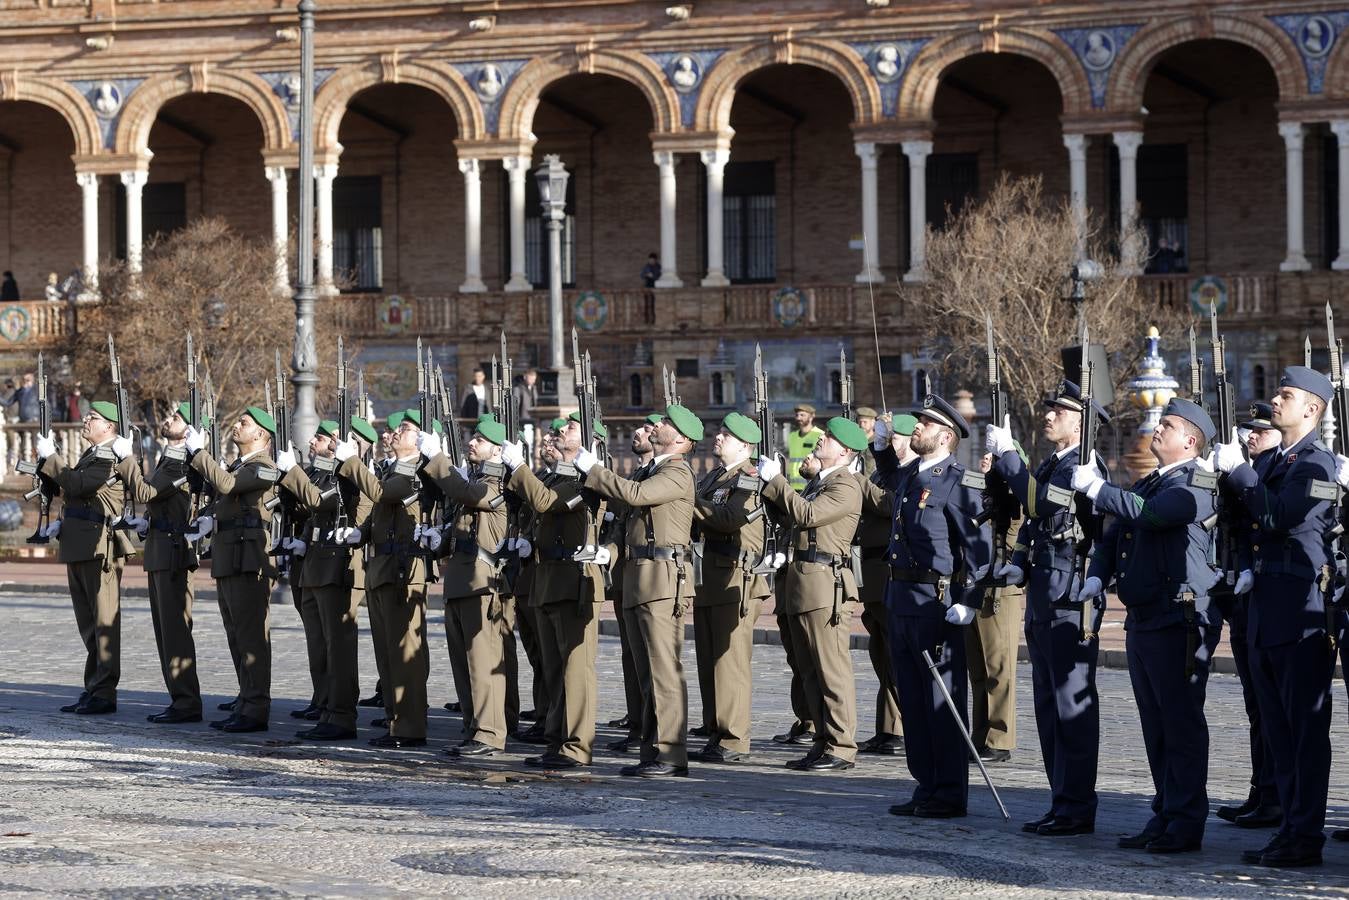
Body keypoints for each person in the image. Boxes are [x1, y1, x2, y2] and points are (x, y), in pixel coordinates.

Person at [1077, 397, 1219, 855]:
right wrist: (1098, 572)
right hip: (1144, 618)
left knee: (1180, 725)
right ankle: (1165, 812)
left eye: (1168, 425)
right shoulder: (1151, 480)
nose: (1157, 429)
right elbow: (1115, 532)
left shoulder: (1198, 481)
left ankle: (1185, 821)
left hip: (1178, 618)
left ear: (1191, 440)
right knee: (1155, 726)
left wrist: (1100, 490)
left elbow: (1157, 515)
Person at [1213, 367, 1340, 868]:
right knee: (1278, 731)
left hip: (1300, 612)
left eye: (1285, 395)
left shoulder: (1316, 464)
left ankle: (1306, 835)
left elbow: (1278, 516)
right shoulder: (1273, 462)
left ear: (1311, 409)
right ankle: (1287, 828)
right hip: (1266, 608)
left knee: (1304, 732)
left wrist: (1242, 475)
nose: (1275, 400)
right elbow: (1245, 525)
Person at [985, 380, 1109, 836]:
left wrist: (1010, 459)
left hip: (1067, 598)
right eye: (1050, 408)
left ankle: (1077, 806)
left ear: (1082, 421)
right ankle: (1062, 801)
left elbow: (1039, 502)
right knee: (1047, 707)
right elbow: (1035, 526)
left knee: (1070, 709)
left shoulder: (1084, 463)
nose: (1049, 415)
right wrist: (1018, 563)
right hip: (1043, 593)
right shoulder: (1054, 461)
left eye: (1060, 410)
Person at [578, 404, 701, 777]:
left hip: (662, 580)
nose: (657, 426)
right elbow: (631, 528)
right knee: (646, 672)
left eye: (665, 424)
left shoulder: (678, 472)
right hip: (638, 576)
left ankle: (670, 753)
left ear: (681, 440)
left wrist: (593, 470)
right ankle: (652, 749)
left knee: (663, 670)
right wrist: (608, 552)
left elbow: (632, 495)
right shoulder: (654, 470)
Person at [885, 394, 991, 819]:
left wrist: (970, 601)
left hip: (937, 602)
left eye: (925, 424)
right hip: (901, 600)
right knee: (911, 698)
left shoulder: (961, 482)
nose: (917, 428)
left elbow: (979, 551)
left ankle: (949, 792)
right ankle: (925, 783)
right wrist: (878, 445)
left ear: (946, 436)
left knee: (941, 702)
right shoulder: (912, 475)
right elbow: (886, 475)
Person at [759, 416, 867, 771]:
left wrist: (776, 480)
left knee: (830, 670)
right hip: (800, 582)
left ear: (845, 451)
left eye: (830, 437)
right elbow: (790, 518)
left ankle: (841, 746)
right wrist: (771, 491)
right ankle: (822, 741)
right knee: (807, 669)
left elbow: (807, 516)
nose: (821, 439)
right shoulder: (819, 483)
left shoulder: (846, 485)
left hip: (824, 585)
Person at [502, 413, 608, 767]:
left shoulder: (583, 480)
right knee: (554, 668)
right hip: (548, 580)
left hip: (573, 582)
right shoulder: (559, 475)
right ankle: (556, 738)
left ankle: (577, 746)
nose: (560, 431)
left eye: (571, 429)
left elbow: (546, 502)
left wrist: (518, 467)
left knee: (576, 670)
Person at [336, 409, 432, 748]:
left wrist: (351, 461)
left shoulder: (416, 472)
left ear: (420, 440)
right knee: (387, 655)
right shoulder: (394, 470)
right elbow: (378, 513)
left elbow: (380, 494)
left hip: (402, 572)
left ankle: (410, 727)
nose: (393, 434)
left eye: (404, 430)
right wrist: (358, 534)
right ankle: (395, 720)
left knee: (405, 655)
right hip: (381, 570)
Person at [275, 418, 376, 741]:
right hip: (318, 564)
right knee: (322, 646)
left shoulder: (356, 473)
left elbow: (322, 501)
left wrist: (293, 472)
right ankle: (327, 706)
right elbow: (316, 514)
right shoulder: (335, 471)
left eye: (334, 439)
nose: (329, 444)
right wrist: (302, 538)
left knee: (339, 648)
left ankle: (342, 715)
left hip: (338, 568)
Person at [185, 406, 282, 733]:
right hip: (230, 557)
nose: (237, 426)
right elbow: (222, 496)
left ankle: (256, 708)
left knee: (252, 637)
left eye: (245, 423)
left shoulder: (265, 466)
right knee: (237, 635)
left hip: (249, 560)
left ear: (261, 435)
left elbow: (227, 485)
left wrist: (199, 453)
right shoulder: (239, 466)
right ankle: (246, 699)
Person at [36, 401, 135, 715]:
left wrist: (52, 457)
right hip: (80, 545)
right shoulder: (91, 455)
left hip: (99, 548)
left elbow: (80, 484)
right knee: (89, 624)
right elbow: (75, 493)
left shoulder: (109, 456)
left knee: (104, 622)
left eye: (92, 418)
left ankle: (105, 692)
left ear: (109, 426)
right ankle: (94, 686)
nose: (85, 420)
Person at [422, 416, 513, 758]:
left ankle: (490, 733)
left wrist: (439, 461)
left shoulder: (498, 482)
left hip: (481, 581)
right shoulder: (473, 481)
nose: (473, 442)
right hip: (459, 578)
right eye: (473, 436)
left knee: (482, 661)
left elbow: (473, 496)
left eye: (481, 439)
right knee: (463, 663)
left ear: (497, 449)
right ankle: (473, 727)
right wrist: (438, 540)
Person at [1211, 402, 1283, 827]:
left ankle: (1274, 796)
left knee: (1270, 706)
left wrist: (1239, 473)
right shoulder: (1247, 469)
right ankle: (1262, 789)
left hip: (1265, 595)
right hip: (1240, 599)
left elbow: (1269, 516)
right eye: (1249, 430)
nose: (1252, 435)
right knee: (1256, 705)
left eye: (1261, 429)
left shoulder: (1271, 471)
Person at [689, 412, 772, 763]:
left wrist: (688, 502)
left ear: (745, 445)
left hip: (736, 576)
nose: (718, 437)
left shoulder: (749, 478)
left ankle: (734, 737)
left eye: (727, 434)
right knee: (708, 660)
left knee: (730, 661)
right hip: (709, 575)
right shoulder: (714, 476)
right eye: (720, 432)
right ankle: (716, 729)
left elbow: (730, 518)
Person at [118, 403, 204, 724]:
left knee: (175, 632)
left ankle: (187, 702)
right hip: (159, 550)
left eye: (177, 418)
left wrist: (127, 459)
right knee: (165, 632)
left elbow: (144, 492)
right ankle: (179, 698)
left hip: (172, 554)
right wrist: (147, 523)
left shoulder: (182, 465)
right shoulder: (168, 460)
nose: (168, 420)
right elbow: (157, 504)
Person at [854, 412, 916, 756]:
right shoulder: (884, 472)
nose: (892, 444)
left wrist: (858, 483)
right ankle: (888, 728)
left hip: (889, 571)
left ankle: (904, 727)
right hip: (873, 573)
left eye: (896, 438)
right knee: (881, 653)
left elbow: (892, 507)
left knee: (895, 653)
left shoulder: (910, 475)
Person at [604, 413, 663, 751]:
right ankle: (638, 720)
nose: (639, 432)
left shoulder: (661, 476)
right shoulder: (640, 473)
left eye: (647, 427)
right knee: (632, 654)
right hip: (626, 571)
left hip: (649, 574)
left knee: (650, 658)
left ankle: (652, 728)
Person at [966, 451, 1023, 764]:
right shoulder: (983, 495)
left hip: (1000, 591)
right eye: (984, 457)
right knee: (978, 668)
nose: (984, 462)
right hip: (976, 585)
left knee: (999, 669)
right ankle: (980, 734)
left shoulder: (1010, 499)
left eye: (993, 459)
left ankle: (1000, 739)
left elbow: (1013, 531)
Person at [786, 403, 823, 492]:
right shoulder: (792, 436)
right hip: (793, 486)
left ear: (812, 416)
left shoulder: (820, 435)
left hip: (811, 486)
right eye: (797, 415)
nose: (798, 418)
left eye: (802, 415)